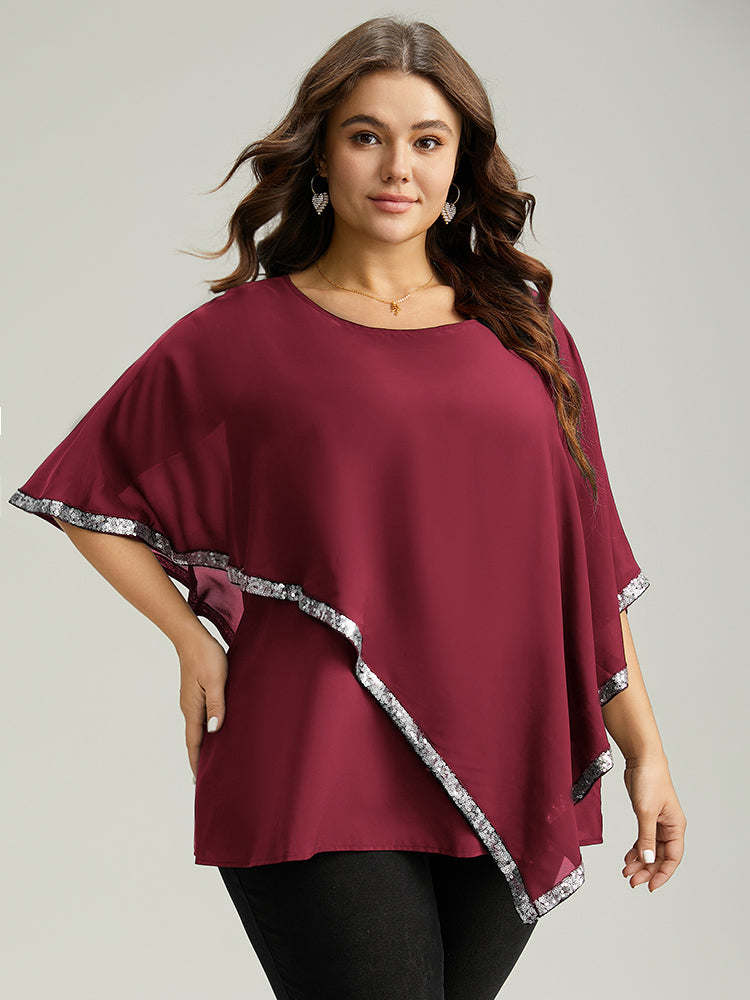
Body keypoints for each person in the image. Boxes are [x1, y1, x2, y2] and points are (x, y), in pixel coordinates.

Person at [8, 15, 686, 1000]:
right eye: (367, 136)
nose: (398, 167)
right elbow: (82, 488)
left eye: (428, 141)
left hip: (509, 743)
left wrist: (647, 752)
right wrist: (191, 640)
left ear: (460, 164)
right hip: (312, 746)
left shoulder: (528, 338)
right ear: (323, 153)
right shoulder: (243, 333)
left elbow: (586, 563)